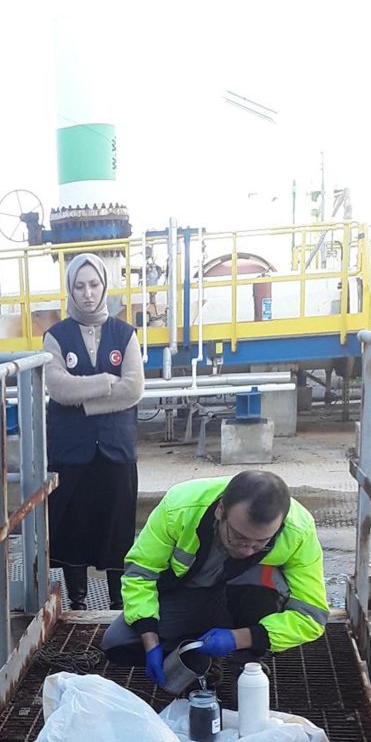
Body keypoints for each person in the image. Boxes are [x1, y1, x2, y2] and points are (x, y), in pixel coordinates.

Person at [101, 470, 329, 685]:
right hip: (188, 596)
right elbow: (141, 573)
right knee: (119, 643)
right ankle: (197, 655)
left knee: (264, 580)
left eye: (261, 542)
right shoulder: (179, 507)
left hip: (244, 602)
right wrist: (150, 642)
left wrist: (240, 638)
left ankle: (246, 665)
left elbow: (311, 616)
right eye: (238, 537)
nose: (247, 550)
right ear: (221, 510)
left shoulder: (299, 531)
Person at [43, 252, 145, 610]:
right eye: (80, 286)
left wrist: (82, 401)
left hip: (115, 448)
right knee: (73, 524)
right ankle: (79, 600)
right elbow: (57, 387)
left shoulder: (125, 334)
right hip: (71, 450)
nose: (88, 293)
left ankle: (119, 602)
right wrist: (104, 382)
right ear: (70, 289)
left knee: (117, 524)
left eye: (94, 284)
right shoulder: (55, 336)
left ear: (104, 286)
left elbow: (133, 388)